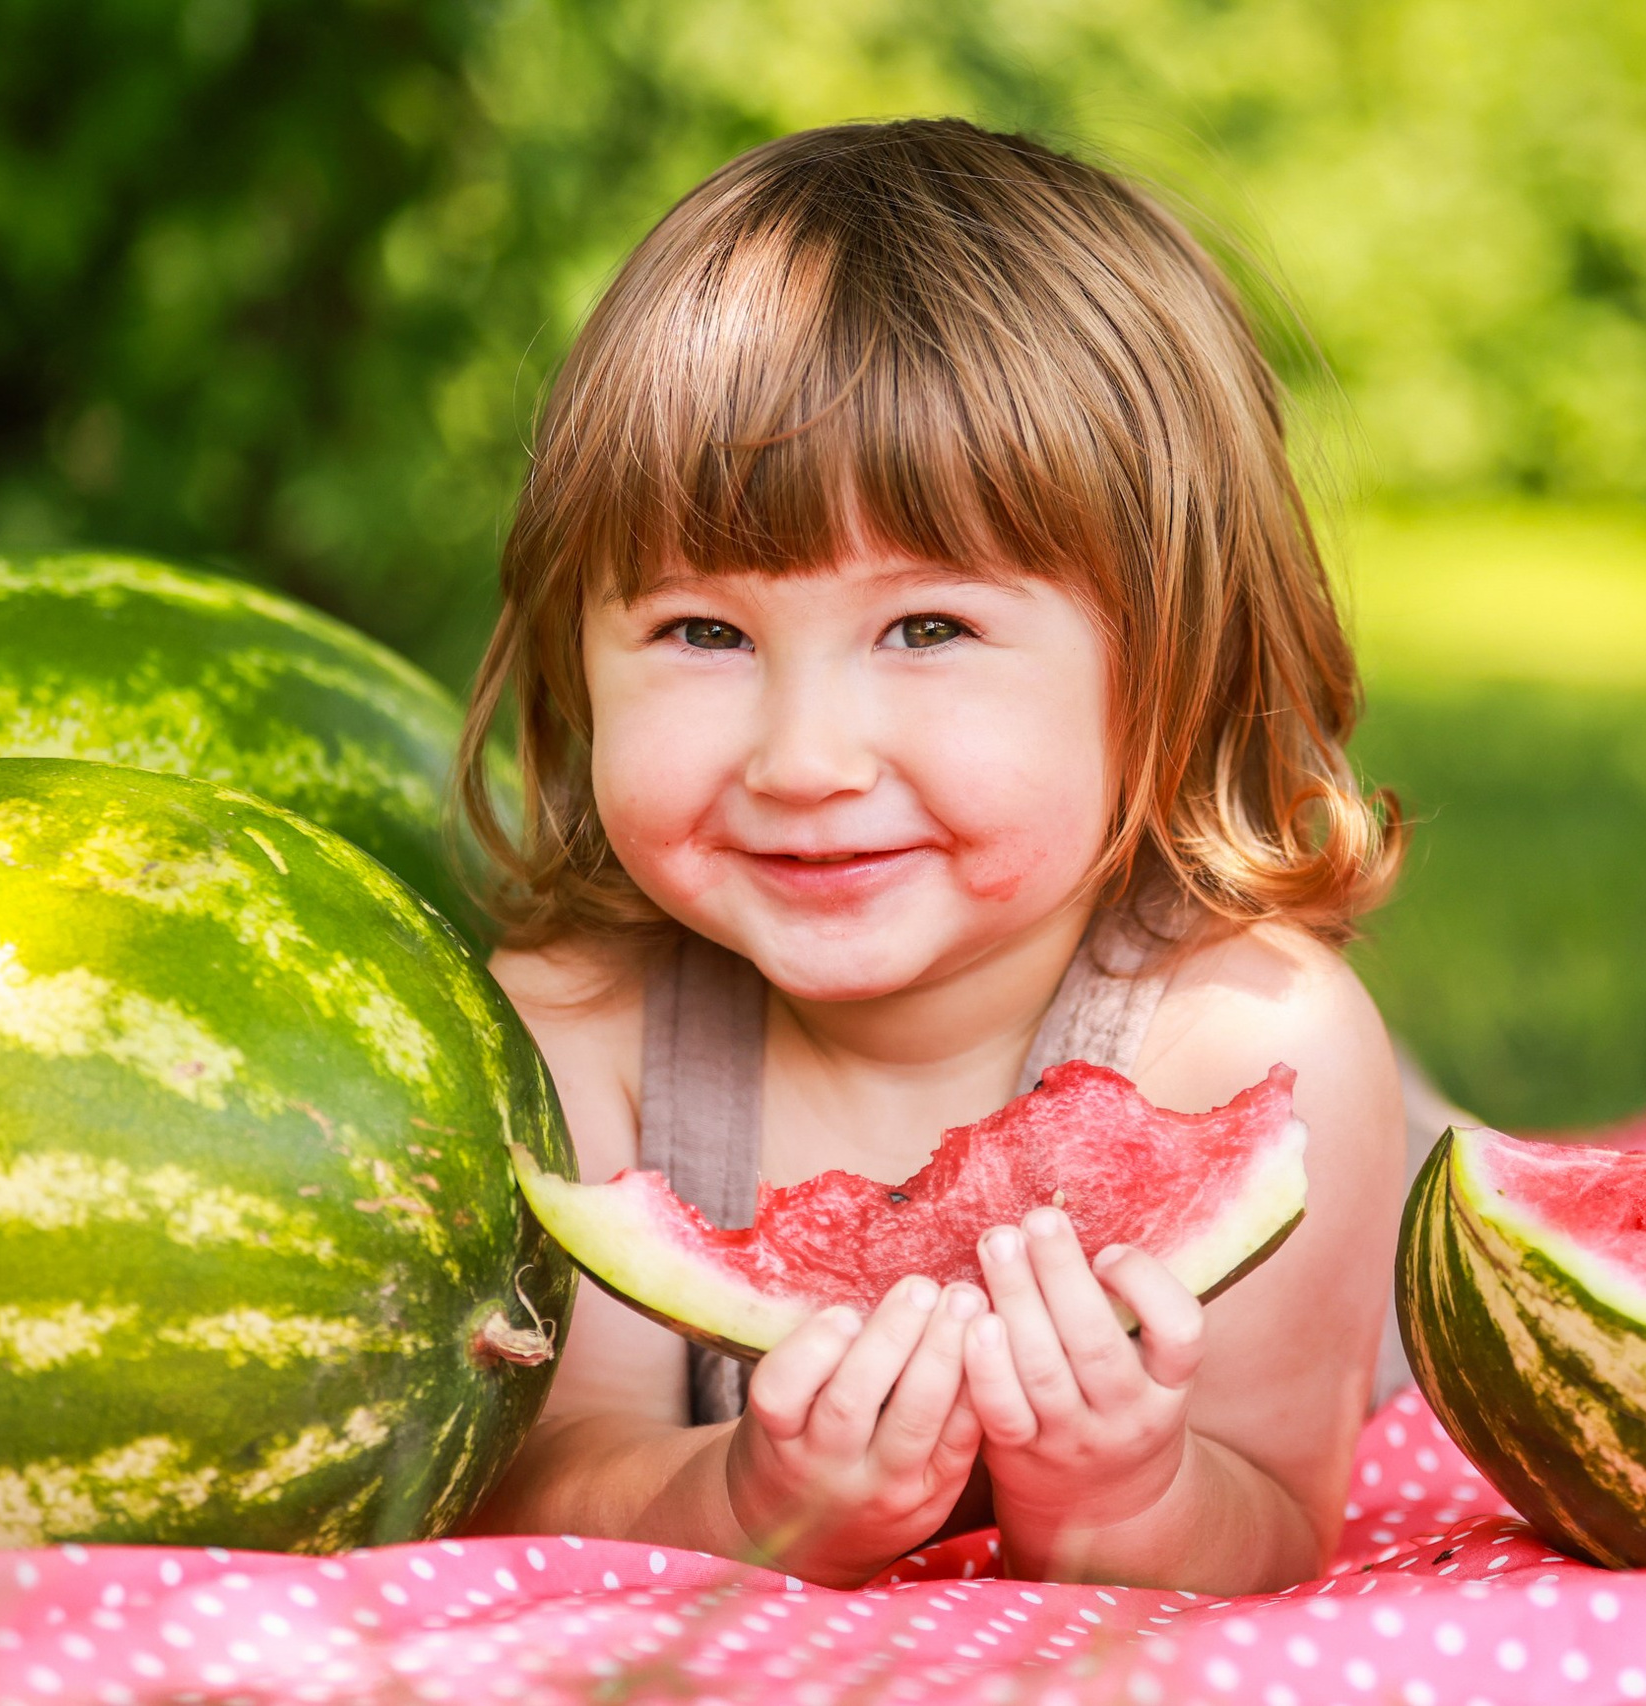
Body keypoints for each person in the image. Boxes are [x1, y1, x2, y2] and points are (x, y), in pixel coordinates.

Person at [463, 118, 1407, 1596]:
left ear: (1174, 658)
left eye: (928, 628)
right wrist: (746, 1495)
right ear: (575, 660)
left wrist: (1125, 1492)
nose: (803, 757)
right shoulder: (577, 1037)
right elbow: (544, 1468)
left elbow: (1277, 1515)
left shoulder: (1256, 1051)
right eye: (702, 632)